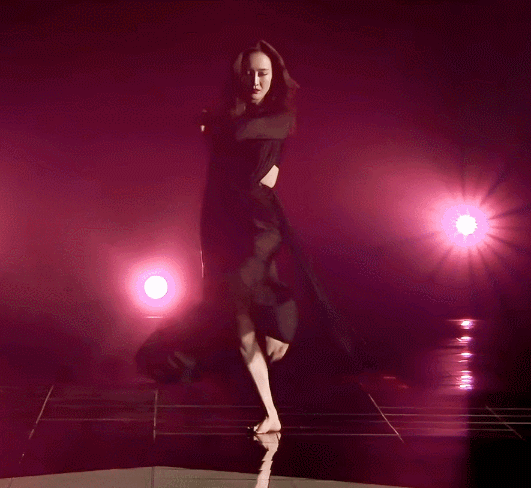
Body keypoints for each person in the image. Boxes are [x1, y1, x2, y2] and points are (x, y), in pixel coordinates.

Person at [199, 40, 303, 434]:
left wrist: (214, 126)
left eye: (263, 73)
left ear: (274, 77)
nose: (256, 80)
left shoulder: (278, 118)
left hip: (260, 227)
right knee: (239, 321)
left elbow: (244, 133)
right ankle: (271, 412)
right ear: (238, 77)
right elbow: (217, 181)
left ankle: (282, 326)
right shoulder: (229, 121)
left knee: (255, 285)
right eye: (249, 73)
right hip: (226, 225)